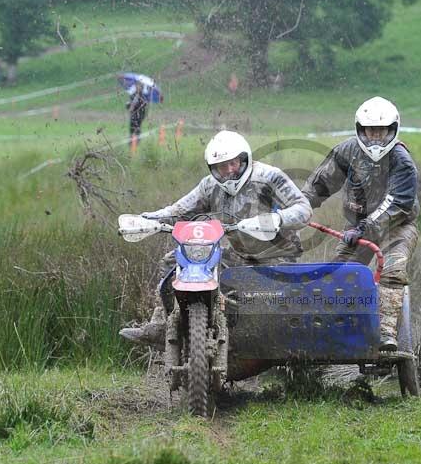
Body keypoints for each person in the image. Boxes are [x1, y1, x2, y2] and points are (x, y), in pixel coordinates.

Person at [120, 130, 312, 347]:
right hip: (238, 254)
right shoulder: (209, 186)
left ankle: (278, 337)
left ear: (244, 159)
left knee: (267, 305)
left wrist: (276, 219)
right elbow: (179, 210)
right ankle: (169, 323)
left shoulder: (269, 177)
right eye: (223, 166)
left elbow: (303, 209)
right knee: (173, 262)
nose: (230, 170)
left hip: (277, 256)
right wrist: (150, 218)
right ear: (213, 169)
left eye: (234, 163)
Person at [302, 96, 419, 352]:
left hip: (397, 228)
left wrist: (363, 229)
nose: (376, 137)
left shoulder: (402, 162)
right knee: (337, 274)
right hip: (358, 230)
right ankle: (330, 328)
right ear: (360, 129)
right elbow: (319, 185)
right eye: (370, 131)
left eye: (381, 131)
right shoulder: (346, 151)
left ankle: (386, 333)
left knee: (392, 271)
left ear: (392, 130)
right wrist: (298, 208)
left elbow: (396, 204)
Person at [127, 82, 148, 151]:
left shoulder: (143, 97)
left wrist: (136, 104)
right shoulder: (133, 95)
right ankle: (130, 143)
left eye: (140, 86)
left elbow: (143, 107)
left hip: (139, 117)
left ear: (142, 88)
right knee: (131, 129)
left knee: (137, 129)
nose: (138, 87)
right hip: (132, 116)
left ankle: (137, 143)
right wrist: (129, 105)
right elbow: (129, 106)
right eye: (137, 86)